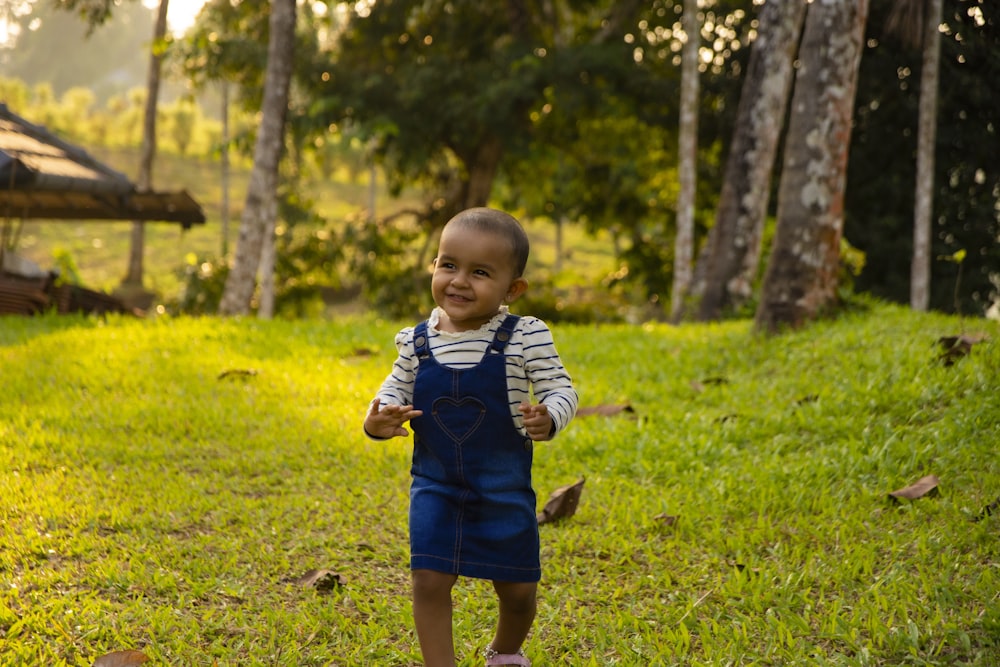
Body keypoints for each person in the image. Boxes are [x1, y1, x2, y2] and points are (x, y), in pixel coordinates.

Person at [363, 207, 578, 667]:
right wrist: (376, 420)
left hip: (502, 487)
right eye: (448, 265)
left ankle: (504, 653)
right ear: (435, 266)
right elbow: (391, 391)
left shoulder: (525, 335)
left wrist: (551, 417)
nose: (459, 281)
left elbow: (562, 388)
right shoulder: (415, 342)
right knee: (429, 580)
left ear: (511, 288)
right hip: (436, 485)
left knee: (518, 589)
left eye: (480, 272)